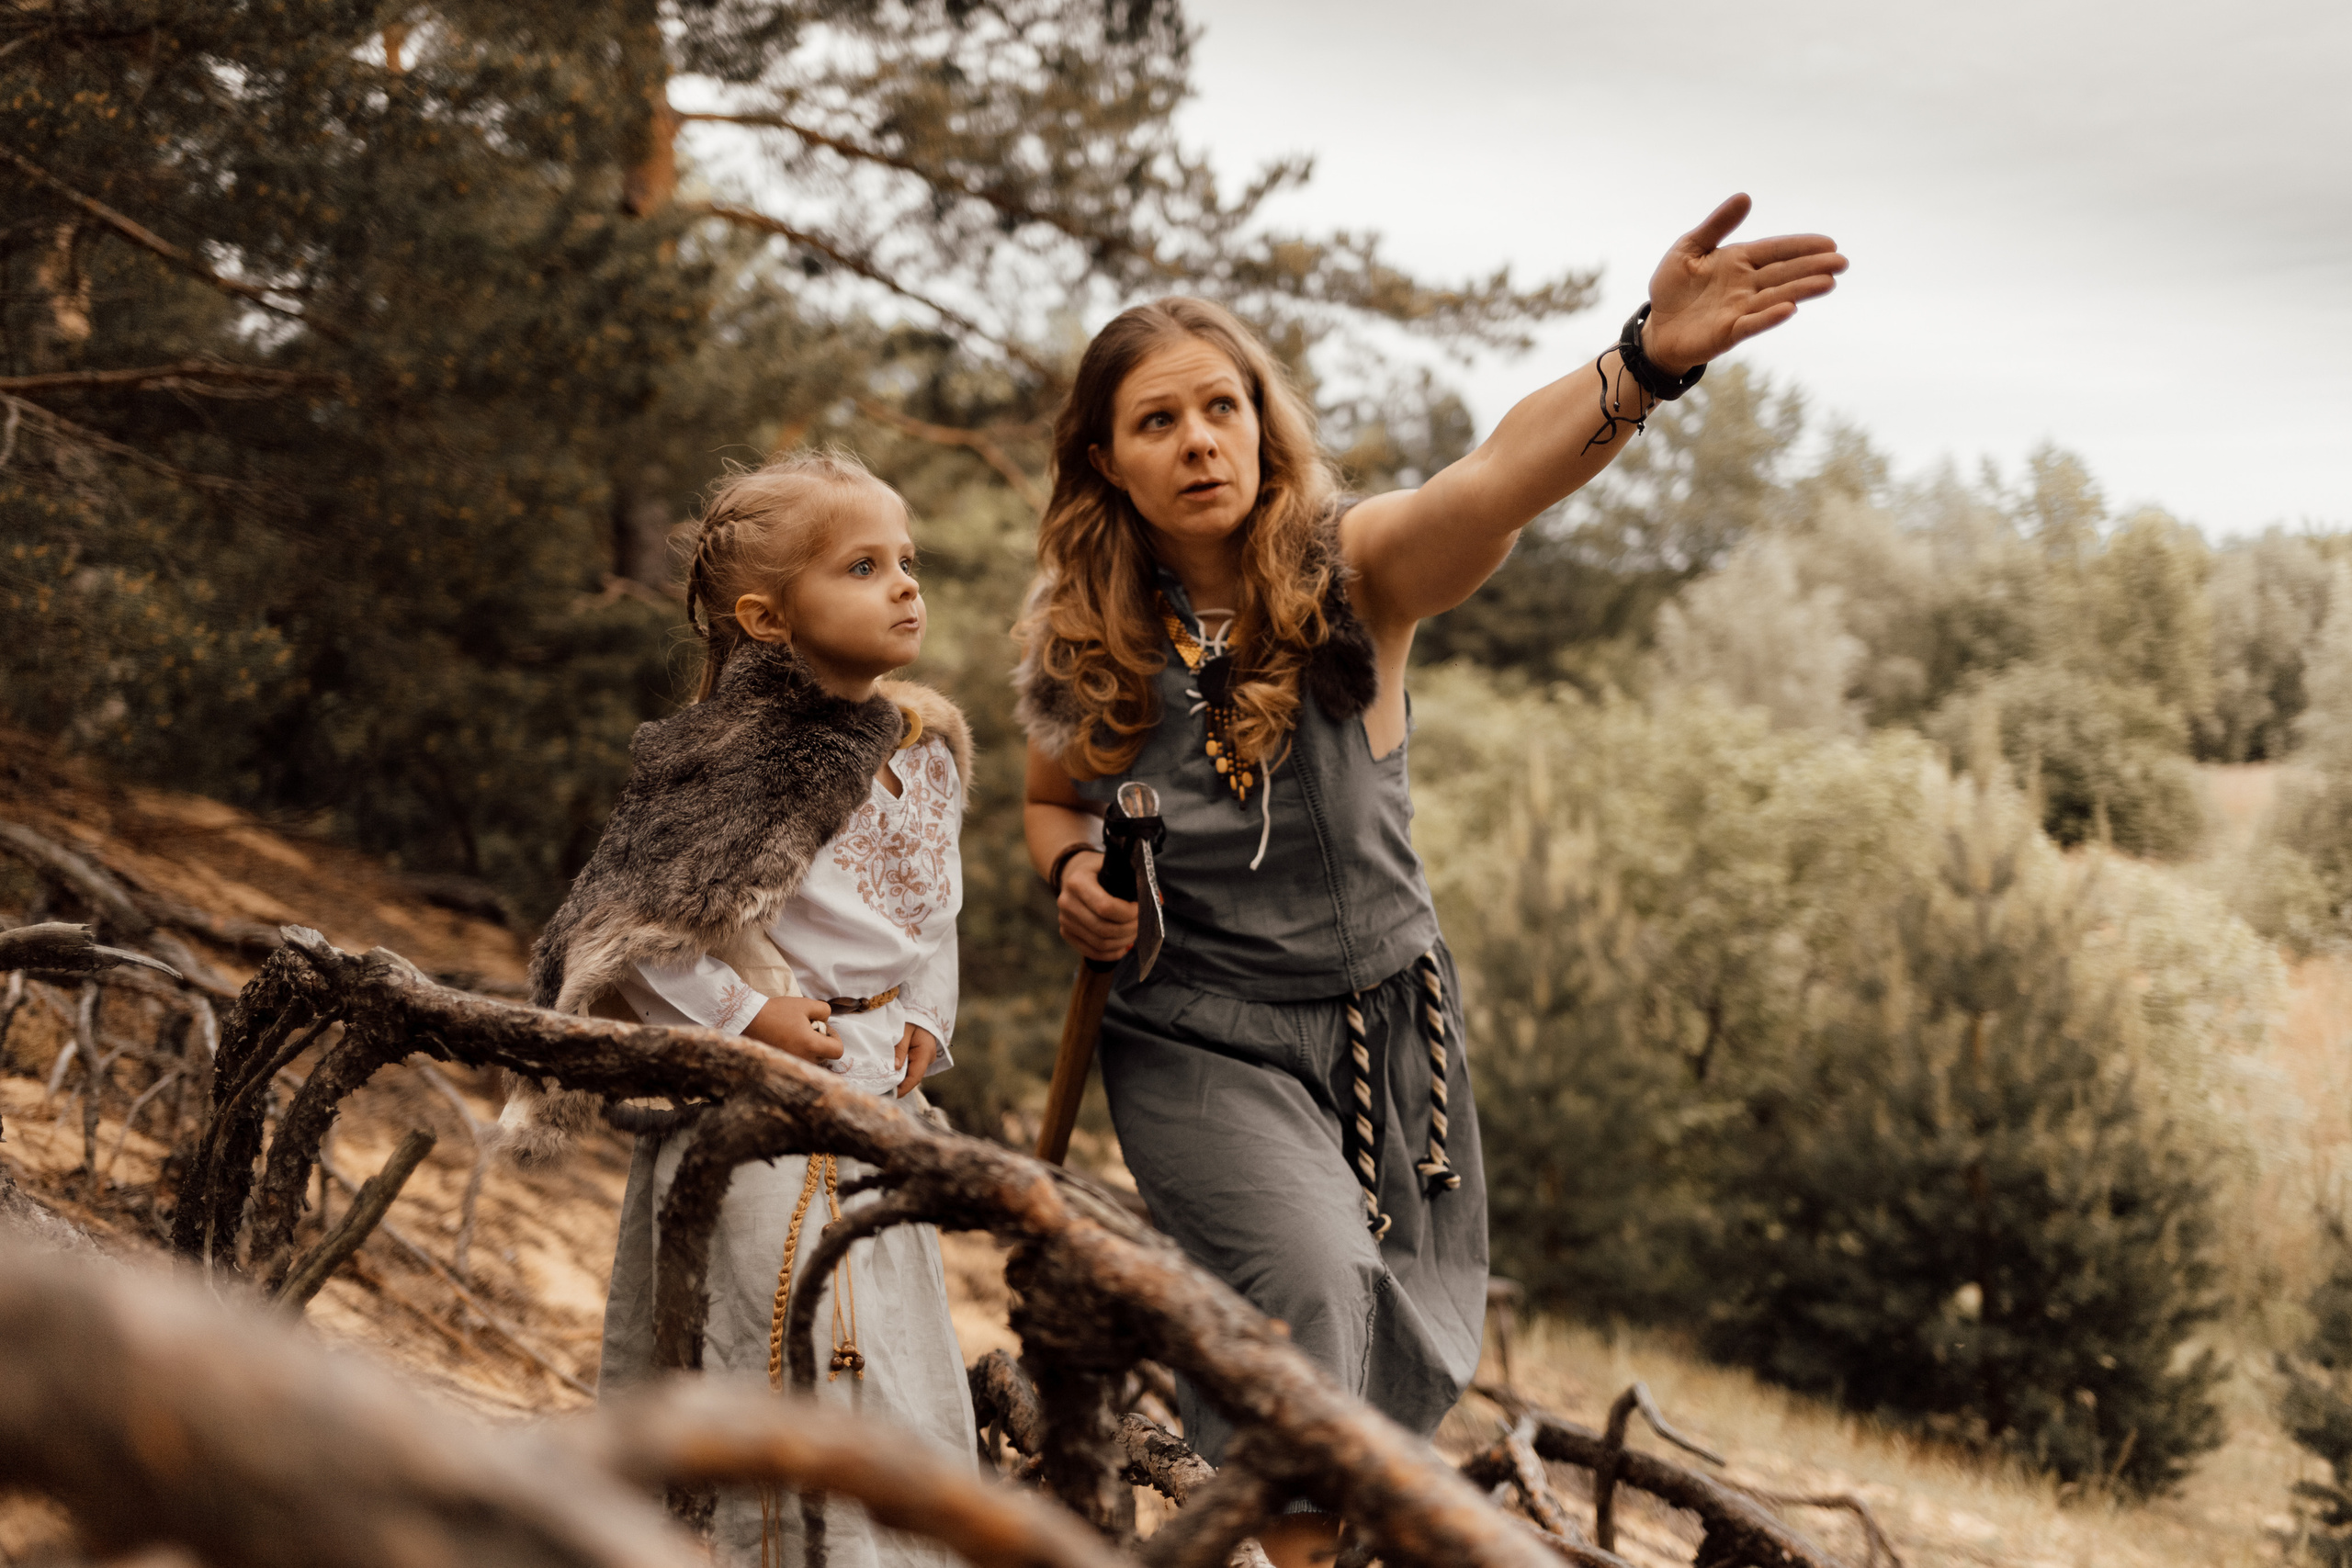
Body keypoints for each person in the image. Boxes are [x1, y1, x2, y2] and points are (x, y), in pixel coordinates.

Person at [1016, 195, 1844, 1567]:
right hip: (1193, 1035)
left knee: (1386, 1354)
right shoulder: (1083, 632)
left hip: (1386, 1039)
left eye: (1219, 406)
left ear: (1262, 424)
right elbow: (1054, 805)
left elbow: (1494, 478)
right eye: (1155, 422)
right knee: (1309, 1283)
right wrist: (1071, 880)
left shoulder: (1358, 572)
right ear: (1103, 459)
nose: (1198, 440)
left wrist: (1644, 363)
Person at [503, 450, 978, 1568]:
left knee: (882, 1345)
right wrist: (744, 1018)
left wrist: (927, 1016)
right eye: (863, 566)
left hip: (877, 1094)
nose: (905, 584)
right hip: (756, 1111)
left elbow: (935, 918)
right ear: (768, 619)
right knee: (775, 1335)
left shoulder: (928, 756)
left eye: (906, 560)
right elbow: (629, 932)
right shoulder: (729, 762)